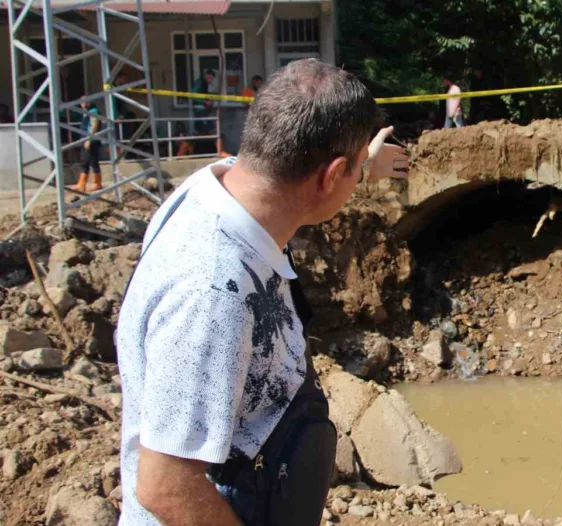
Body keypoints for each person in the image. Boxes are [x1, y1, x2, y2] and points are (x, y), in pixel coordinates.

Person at [116, 59, 409, 526]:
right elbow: (166, 486)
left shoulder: (221, 186)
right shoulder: (214, 291)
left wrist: (363, 163)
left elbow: (299, 178)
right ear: (330, 175)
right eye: (351, 172)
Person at [67, 97, 103, 193]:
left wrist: (89, 139)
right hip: (85, 139)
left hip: (91, 140)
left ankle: (94, 184)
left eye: (84, 102)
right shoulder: (86, 112)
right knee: (87, 162)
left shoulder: (93, 111)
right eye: (81, 103)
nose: (82, 105)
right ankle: (82, 184)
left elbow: (94, 125)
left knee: (89, 162)